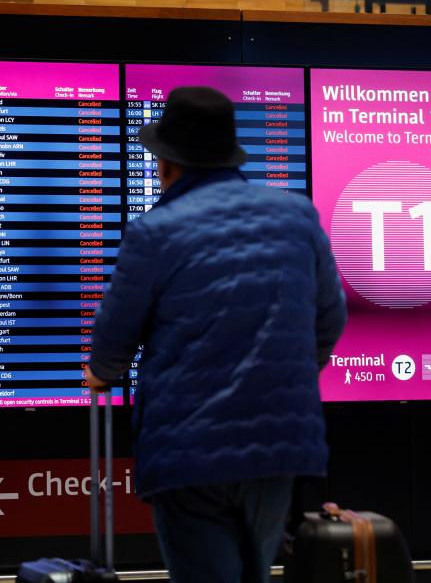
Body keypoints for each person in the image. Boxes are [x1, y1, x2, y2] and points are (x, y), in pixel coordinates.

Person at [85, 87, 347, 583]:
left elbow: (114, 342)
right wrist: (287, 370)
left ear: (166, 162)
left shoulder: (155, 231)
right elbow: (330, 320)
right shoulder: (298, 217)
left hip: (188, 450)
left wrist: (100, 372)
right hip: (279, 443)